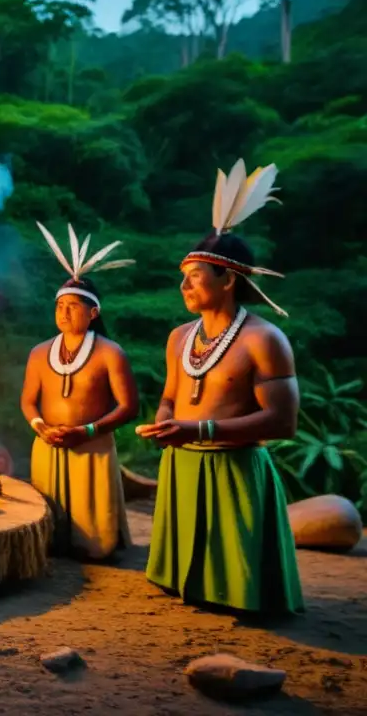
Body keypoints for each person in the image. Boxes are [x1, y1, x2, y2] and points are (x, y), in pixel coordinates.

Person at [137, 159, 303, 615]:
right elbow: (171, 395)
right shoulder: (178, 338)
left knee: (238, 588)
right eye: (183, 276)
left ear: (228, 279)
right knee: (185, 582)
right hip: (182, 465)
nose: (183, 285)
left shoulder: (265, 340)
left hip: (234, 469)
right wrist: (165, 420)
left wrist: (201, 432)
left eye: (194, 276)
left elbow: (283, 422)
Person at [21, 222, 139, 560]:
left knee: (95, 546)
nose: (64, 312)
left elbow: (129, 406)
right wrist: (40, 427)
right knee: (51, 535)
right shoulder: (40, 352)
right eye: (60, 305)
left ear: (93, 312)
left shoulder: (110, 352)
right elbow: (28, 400)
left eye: (73, 306)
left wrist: (87, 430)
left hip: (93, 445)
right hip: (49, 443)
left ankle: (96, 544)